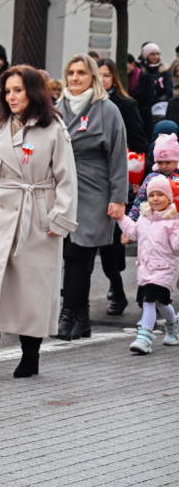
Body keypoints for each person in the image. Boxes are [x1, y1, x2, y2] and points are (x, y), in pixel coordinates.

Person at [0, 65, 77, 378]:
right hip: (1, 213)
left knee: (33, 289)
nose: (11, 97)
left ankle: (30, 356)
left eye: (18, 90)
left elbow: (66, 178)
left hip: (38, 216)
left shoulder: (53, 128)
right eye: (7, 91)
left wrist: (60, 218)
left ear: (32, 92)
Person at [54, 55, 127, 341]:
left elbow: (118, 156)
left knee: (78, 253)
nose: (74, 78)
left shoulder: (107, 110)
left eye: (81, 73)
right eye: (70, 72)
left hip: (95, 191)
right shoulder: (57, 109)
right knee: (72, 255)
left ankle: (69, 313)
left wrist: (119, 197)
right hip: (62, 191)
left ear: (93, 76)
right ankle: (81, 317)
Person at [100, 57, 148, 315]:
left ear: (114, 78)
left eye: (106, 75)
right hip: (93, 184)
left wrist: (130, 173)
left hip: (120, 181)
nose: (101, 80)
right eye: (98, 75)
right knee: (101, 245)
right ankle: (116, 290)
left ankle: (119, 290)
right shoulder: (87, 105)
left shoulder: (126, 105)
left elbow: (140, 143)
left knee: (113, 244)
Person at [115, 175, 179, 354]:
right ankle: (173, 326)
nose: (155, 199)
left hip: (165, 270)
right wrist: (121, 218)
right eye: (152, 195)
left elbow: (176, 246)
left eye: (160, 195)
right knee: (160, 304)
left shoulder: (173, 220)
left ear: (170, 197)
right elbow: (133, 232)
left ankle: (144, 337)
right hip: (146, 269)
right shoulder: (144, 217)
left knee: (149, 301)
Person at [135, 42, 172, 140]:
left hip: (160, 108)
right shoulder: (139, 70)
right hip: (143, 108)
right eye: (152, 54)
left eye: (157, 54)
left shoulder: (164, 70)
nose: (155, 57)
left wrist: (159, 101)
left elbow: (168, 90)